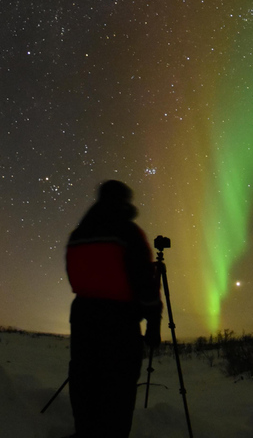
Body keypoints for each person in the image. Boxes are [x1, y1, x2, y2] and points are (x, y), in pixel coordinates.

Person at [66, 180, 162, 438]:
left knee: (85, 382)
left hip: (83, 317)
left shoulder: (77, 235)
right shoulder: (128, 232)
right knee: (118, 387)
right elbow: (144, 282)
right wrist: (153, 322)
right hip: (120, 321)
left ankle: (85, 432)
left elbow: (74, 276)